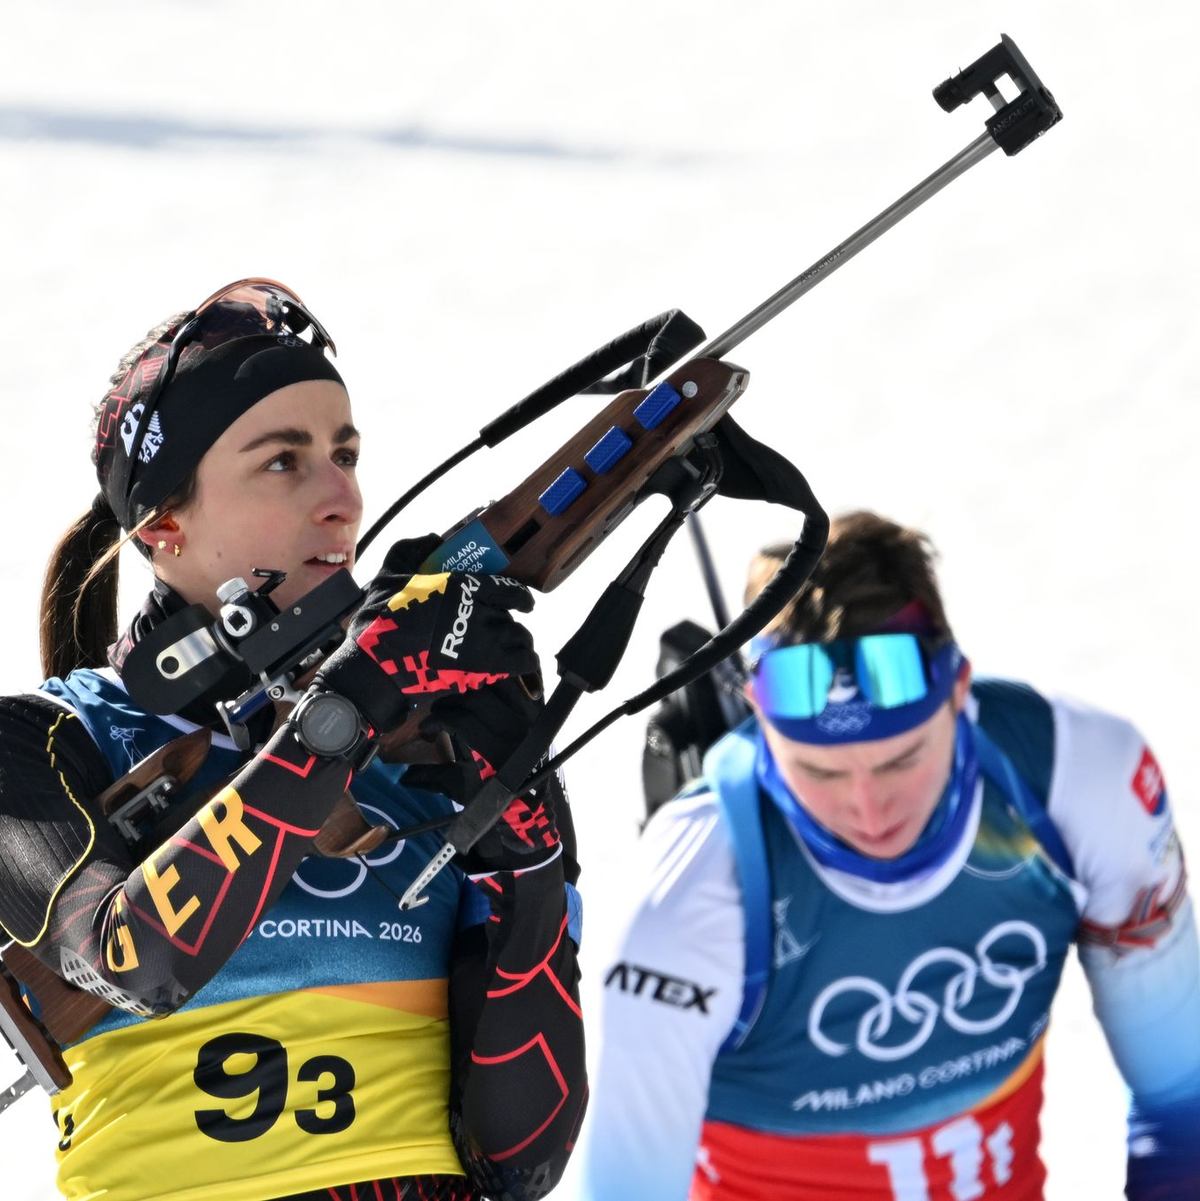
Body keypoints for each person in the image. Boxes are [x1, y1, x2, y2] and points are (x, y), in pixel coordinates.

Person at [0, 280, 586, 1201]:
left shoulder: (423, 744)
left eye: (346, 455)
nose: (343, 499)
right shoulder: (46, 741)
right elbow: (138, 959)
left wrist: (529, 864)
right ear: (161, 525)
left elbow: (526, 1159)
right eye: (284, 461)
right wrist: (343, 714)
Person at [581, 510, 1200, 1199]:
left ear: (959, 689)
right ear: (760, 724)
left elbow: (1183, 1105)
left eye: (902, 758)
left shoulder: (1077, 781)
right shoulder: (693, 892)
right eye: (819, 773)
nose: (869, 810)